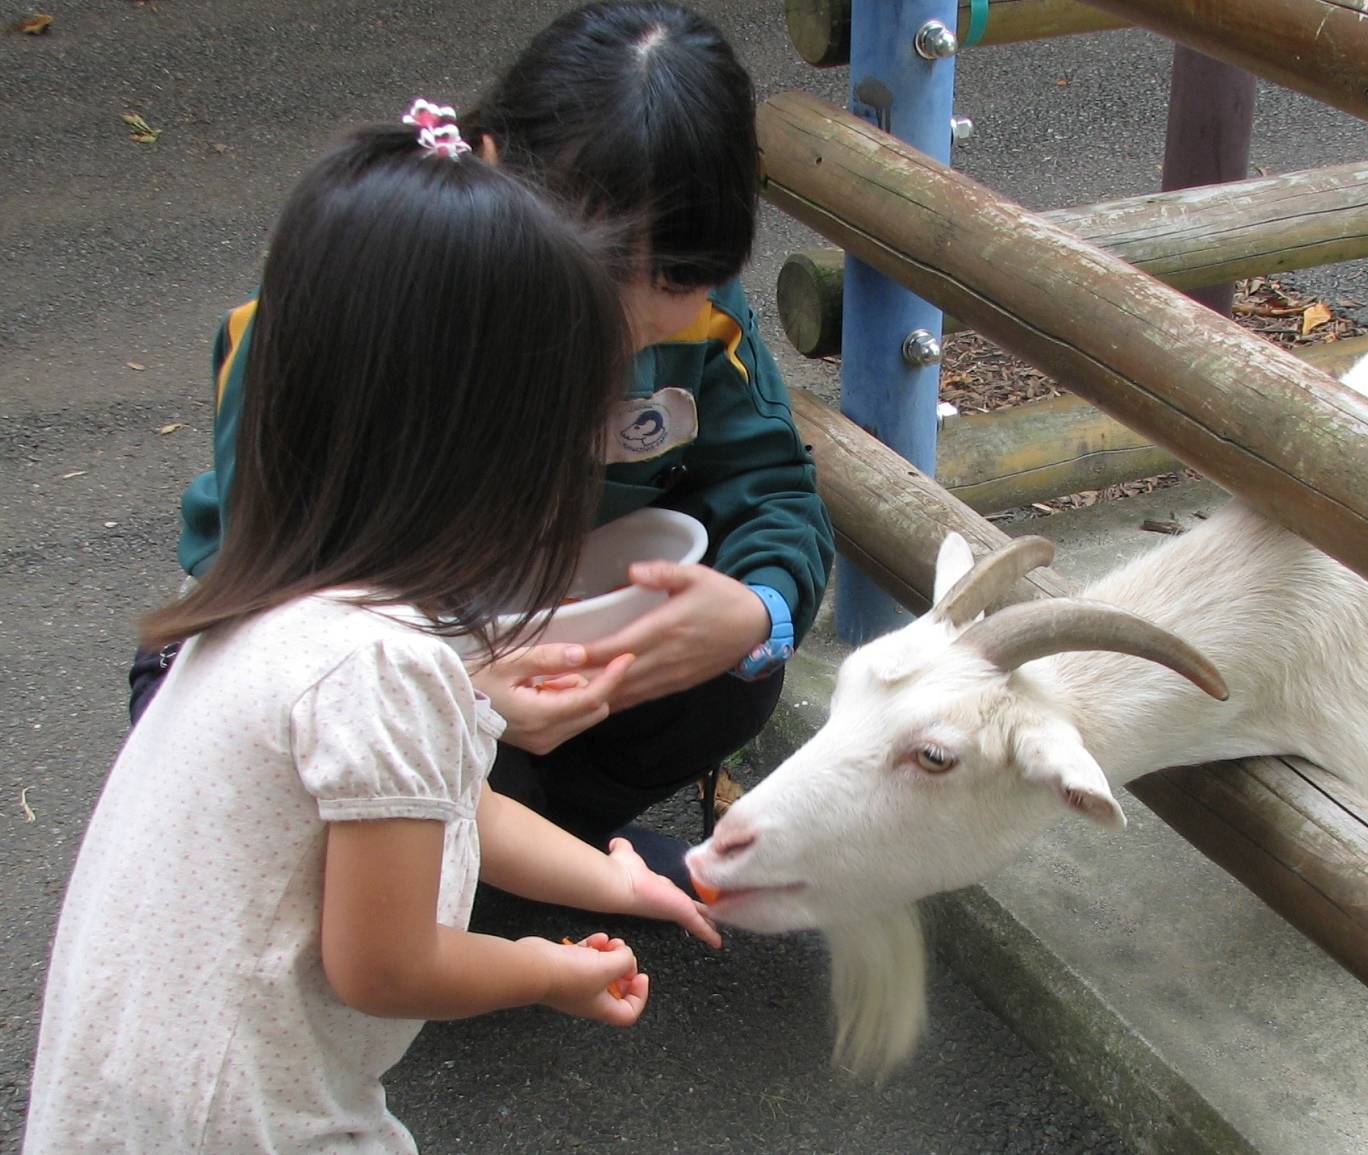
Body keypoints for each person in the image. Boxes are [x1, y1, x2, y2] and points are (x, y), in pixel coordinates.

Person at [27, 114, 719, 1155]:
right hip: (243, 1127)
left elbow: (448, 804)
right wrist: (549, 968)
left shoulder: (285, 609)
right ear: (490, 441)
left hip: (137, 1113)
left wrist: (608, 881)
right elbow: (386, 966)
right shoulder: (378, 664)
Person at [131, 0, 835, 876]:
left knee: (738, 668)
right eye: (602, 271)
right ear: (494, 169)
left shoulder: (703, 321)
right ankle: (456, 858)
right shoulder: (347, 308)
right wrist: (455, 696)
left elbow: (771, 487)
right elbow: (269, 602)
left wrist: (757, 610)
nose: (629, 323)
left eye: (681, 282)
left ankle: (528, 845)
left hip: (515, 656)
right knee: (235, 782)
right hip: (330, 661)